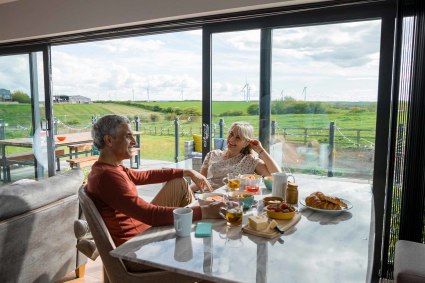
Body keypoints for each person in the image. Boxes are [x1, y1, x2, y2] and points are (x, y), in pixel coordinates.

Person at [86, 114, 223, 280]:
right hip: (138, 247)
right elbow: (151, 215)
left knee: (178, 182)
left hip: (142, 233)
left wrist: (187, 172)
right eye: (128, 136)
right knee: (211, 254)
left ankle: (194, 229)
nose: (134, 142)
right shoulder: (108, 177)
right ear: (109, 140)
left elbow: (145, 175)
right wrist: (204, 211)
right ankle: (196, 233)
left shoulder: (111, 168)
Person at [191, 121, 281, 191]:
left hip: (231, 200)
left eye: (238, 137)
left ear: (246, 143)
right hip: (206, 197)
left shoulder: (250, 160)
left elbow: (278, 176)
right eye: (231, 134)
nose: (231, 139)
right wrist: (188, 191)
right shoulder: (212, 154)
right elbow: (200, 181)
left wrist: (261, 150)